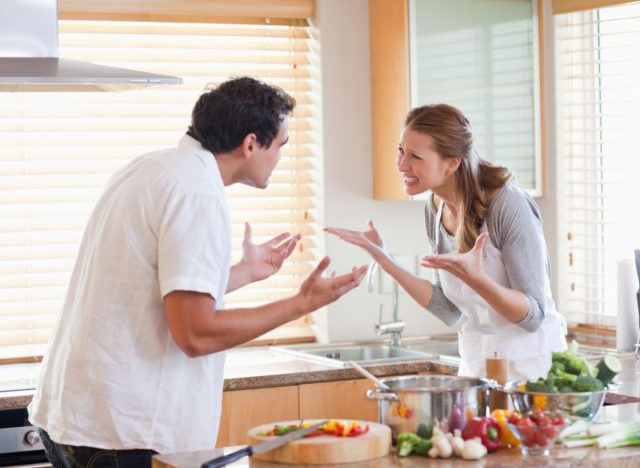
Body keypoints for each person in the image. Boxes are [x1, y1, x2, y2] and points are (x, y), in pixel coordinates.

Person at [28, 76, 368, 467]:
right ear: (251, 143)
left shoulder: (151, 169)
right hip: (124, 434)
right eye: (280, 146)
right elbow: (195, 333)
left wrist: (243, 272)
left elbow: (148, 288)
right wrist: (302, 303)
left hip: (77, 421)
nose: (280, 158)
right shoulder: (198, 194)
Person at [326, 103, 567, 381]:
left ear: (452, 163)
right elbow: (449, 310)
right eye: (401, 150)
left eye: (415, 156)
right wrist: (384, 259)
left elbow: (533, 315)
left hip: (531, 371)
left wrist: (479, 281)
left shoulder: (507, 204)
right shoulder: (435, 206)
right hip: (477, 367)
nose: (402, 164)